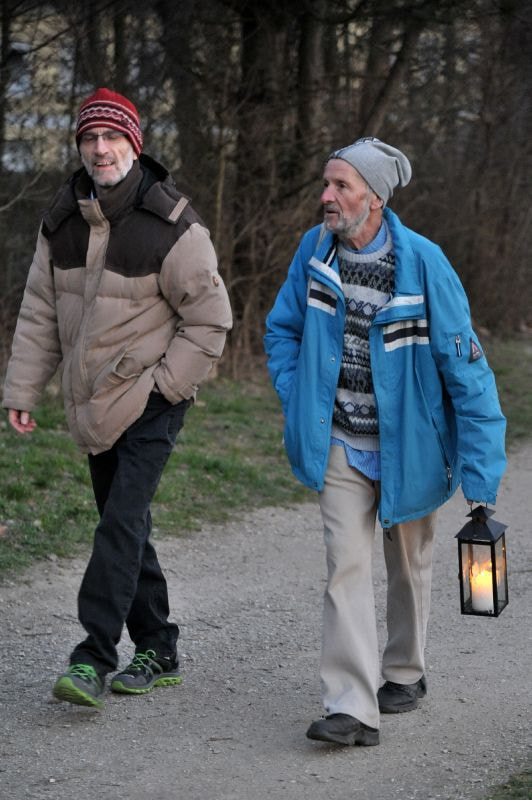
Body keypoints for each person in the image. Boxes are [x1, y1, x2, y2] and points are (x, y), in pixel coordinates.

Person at [264, 137, 506, 746]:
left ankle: (404, 671)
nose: (326, 196)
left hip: (411, 449)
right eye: (326, 184)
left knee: (408, 566)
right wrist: (298, 396)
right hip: (340, 441)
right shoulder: (314, 250)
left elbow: (468, 373)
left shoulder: (424, 264)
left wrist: (481, 483)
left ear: (374, 198)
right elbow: (282, 329)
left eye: (340, 186)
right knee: (344, 567)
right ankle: (351, 707)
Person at [2, 88, 232, 709]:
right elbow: (40, 310)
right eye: (90, 138)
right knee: (123, 524)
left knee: (121, 521)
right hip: (96, 400)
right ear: (80, 146)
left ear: (134, 144)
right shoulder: (63, 220)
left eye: (112, 137)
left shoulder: (172, 223)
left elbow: (211, 321)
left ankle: (92, 656)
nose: (100, 149)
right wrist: (23, 388)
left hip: (154, 398)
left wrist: (166, 387)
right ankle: (158, 646)